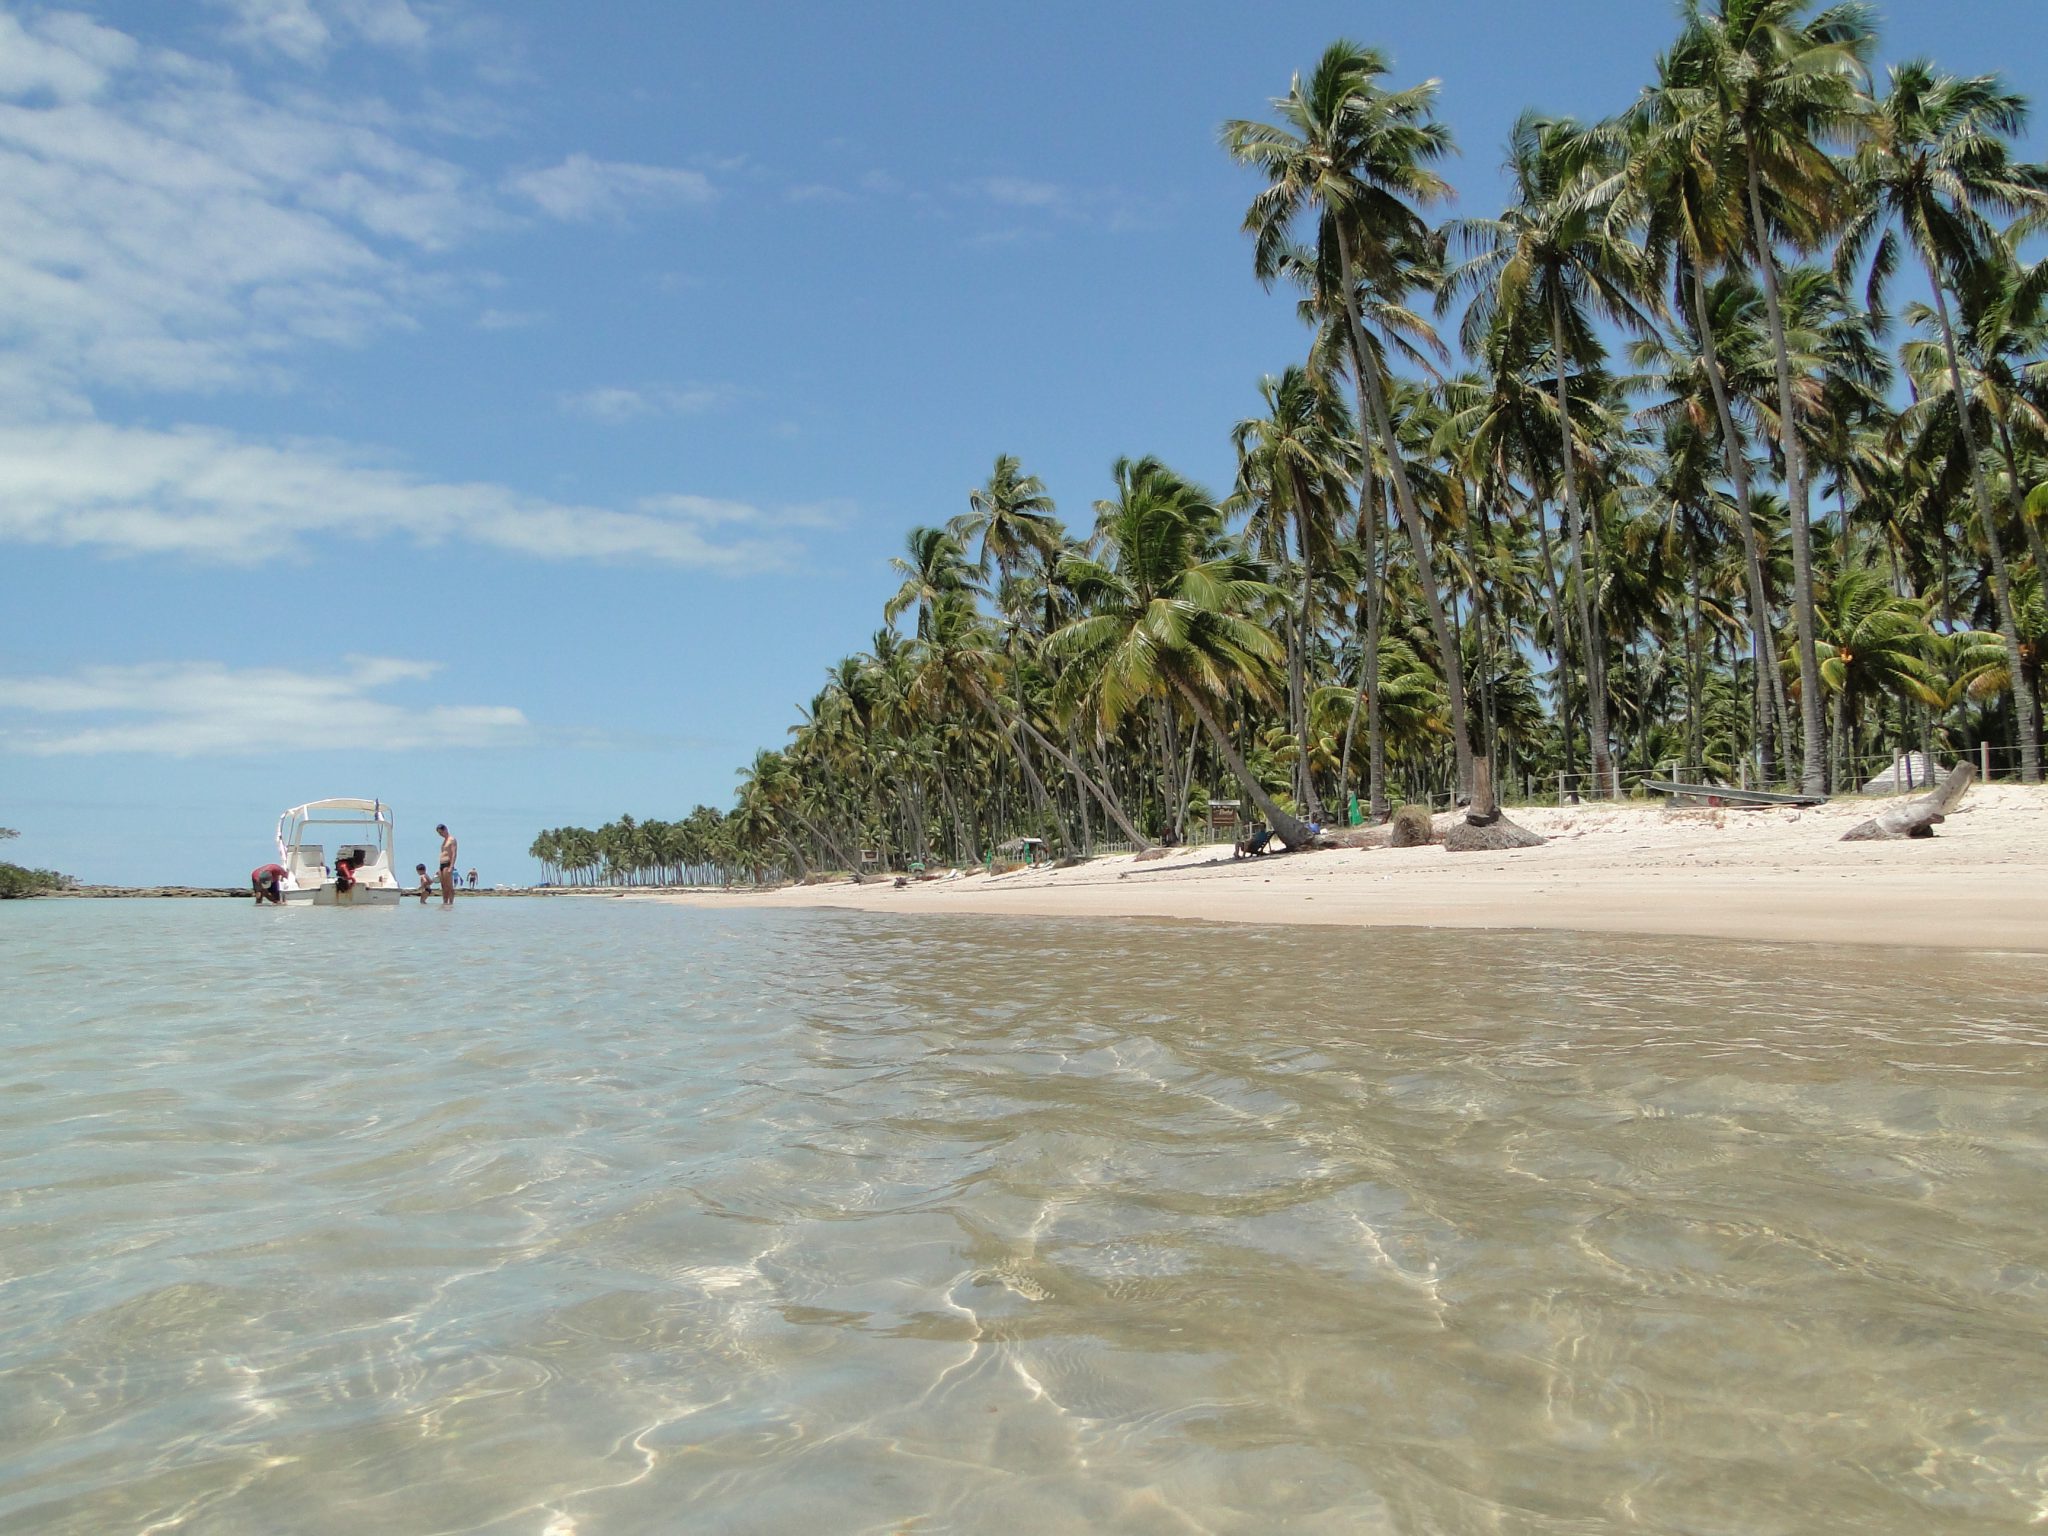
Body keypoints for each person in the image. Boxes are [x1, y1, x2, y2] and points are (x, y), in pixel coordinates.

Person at [436, 823, 457, 907]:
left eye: (441, 832)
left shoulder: (451, 839)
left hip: (448, 864)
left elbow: (454, 853)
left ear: (445, 830)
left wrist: (451, 866)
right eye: (439, 833)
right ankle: (445, 902)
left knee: (449, 885)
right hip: (441, 864)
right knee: (443, 886)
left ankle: (451, 903)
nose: (440, 835)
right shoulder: (444, 841)